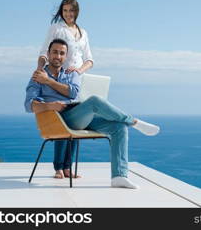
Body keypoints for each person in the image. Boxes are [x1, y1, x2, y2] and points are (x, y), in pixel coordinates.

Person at [25, 39, 160, 189]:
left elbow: (73, 92)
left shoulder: (71, 73)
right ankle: (134, 121)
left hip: (78, 114)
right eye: (55, 52)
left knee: (119, 128)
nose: (58, 56)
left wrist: (49, 82)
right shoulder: (38, 76)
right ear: (48, 54)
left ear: (66, 56)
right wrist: (51, 105)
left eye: (62, 53)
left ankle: (119, 176)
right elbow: (29, 105)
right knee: (95, 100)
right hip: (59, 119)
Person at [36, 0, 94, 179]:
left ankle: (69, 167)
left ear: (77, 12)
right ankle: (58, 167)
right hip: (60, 79)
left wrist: (78, 70)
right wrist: (39, 71)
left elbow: (90, 60)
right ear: (61, 11)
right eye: (65, 10)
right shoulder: (56, 28)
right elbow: (44, 51)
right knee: (61, 123)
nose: (68, 14)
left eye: (71, 11)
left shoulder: (83, 32)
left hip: (78, 81)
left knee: (76, 124)